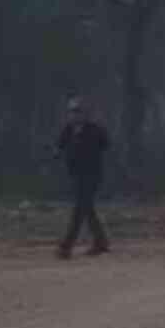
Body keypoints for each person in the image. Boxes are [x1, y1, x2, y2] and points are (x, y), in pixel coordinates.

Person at [53, 95, 111, 259]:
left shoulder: (94, 129)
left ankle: (66, 246)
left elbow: (106, 143)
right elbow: (59, 146)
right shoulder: (68, 129)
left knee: (79, 209)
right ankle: (101, 242)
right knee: (87, 209)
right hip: (76, 175)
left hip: (92, 175)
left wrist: (99, 127)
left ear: (85, 113)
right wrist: (57, 153)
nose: (75, 114)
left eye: (78, 111)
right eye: (72, 111)